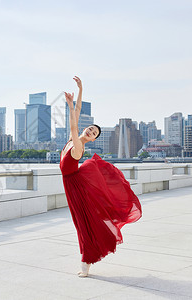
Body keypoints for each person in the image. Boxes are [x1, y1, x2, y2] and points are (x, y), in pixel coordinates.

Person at [60, 76, 142, 277]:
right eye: (90, 129)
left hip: (76, 187)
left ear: (93, 139)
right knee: (82, 223)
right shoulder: (72, 140)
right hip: (71, 184)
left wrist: (69, 106)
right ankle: (86, 261)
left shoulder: (78, 147)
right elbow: (78, 114)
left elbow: (73, 123)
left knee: (85, 224)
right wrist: (80, 90)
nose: (90, 131)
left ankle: (85, 264)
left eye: (93, 133)